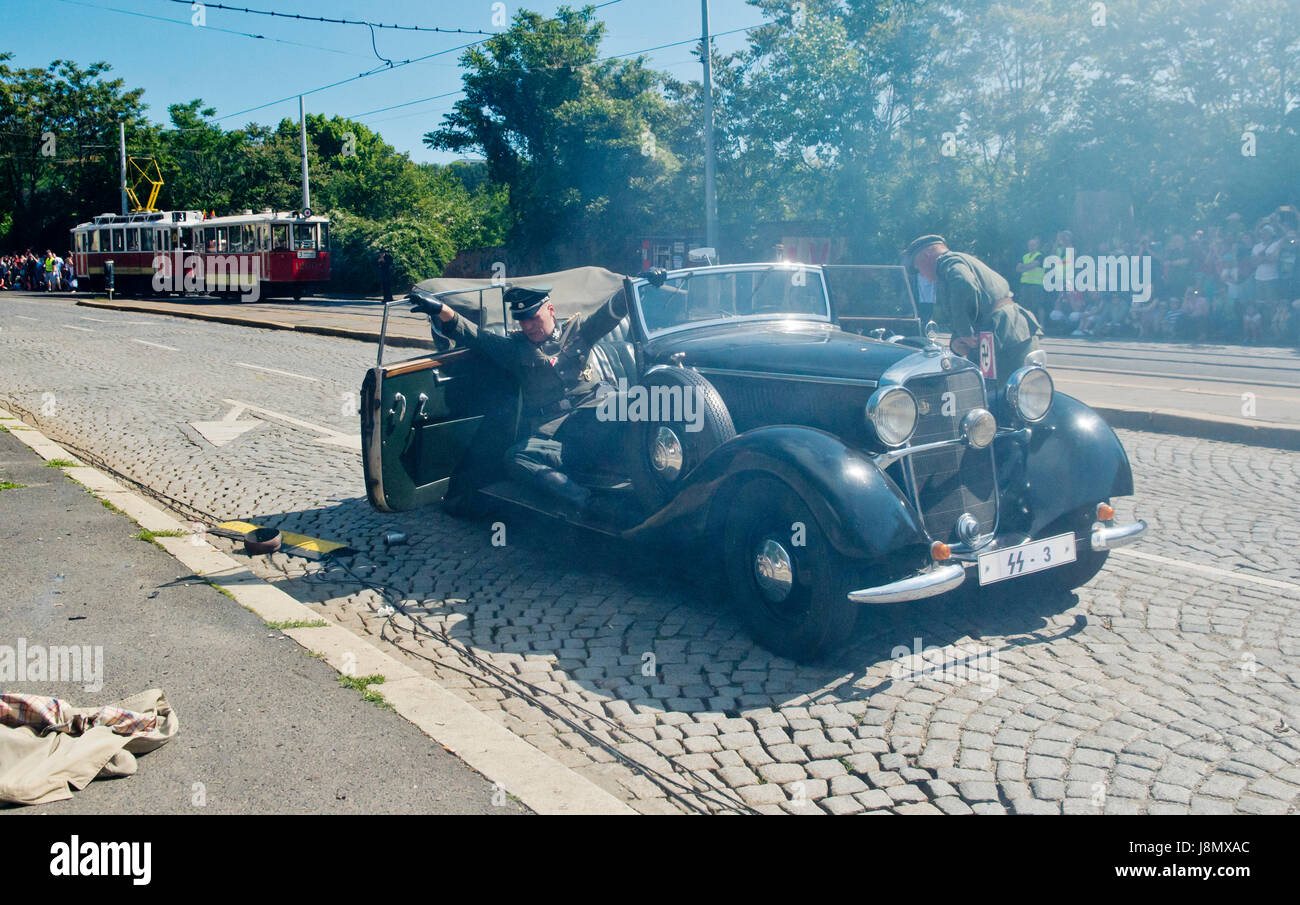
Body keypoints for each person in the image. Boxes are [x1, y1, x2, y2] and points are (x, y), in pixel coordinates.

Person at [409, 280, 637, 513]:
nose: (528, 326)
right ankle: (588, 503)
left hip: (595, 417)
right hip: (558, 437)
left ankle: (662, 470)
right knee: (517, 458)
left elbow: (611, 312)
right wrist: (441, 310)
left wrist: (637, 284)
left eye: (533, 317)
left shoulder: (579, 333)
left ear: (550, 310)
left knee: (634, 401)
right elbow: (475, 336)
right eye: (522, 319)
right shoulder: (515, 350)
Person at [903, 234, 1042, 381]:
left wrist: (964, 332)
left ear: (927, 254)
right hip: (1008, 330)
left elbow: (964, 285)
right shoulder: (957, 262)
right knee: (1007, 391)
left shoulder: (947, 262)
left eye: (919, 267)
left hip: (1001, 331)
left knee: (996, 392)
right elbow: (967, 305)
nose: (922, 274)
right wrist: (957, 341)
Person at [1015, 237, 1047, 322]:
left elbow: (1033, 265)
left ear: (1037, 246)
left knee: (1038, 305)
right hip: (1025, 285)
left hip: (1036, 285)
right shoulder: (1025, 256)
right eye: (1030, 245)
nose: (1031, 247)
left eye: (1034, 245)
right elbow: (1017, 269)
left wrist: (1024, 266)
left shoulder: (1040, 256)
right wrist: (1028, 266)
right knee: (1024, 306)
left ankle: (1041, 324)